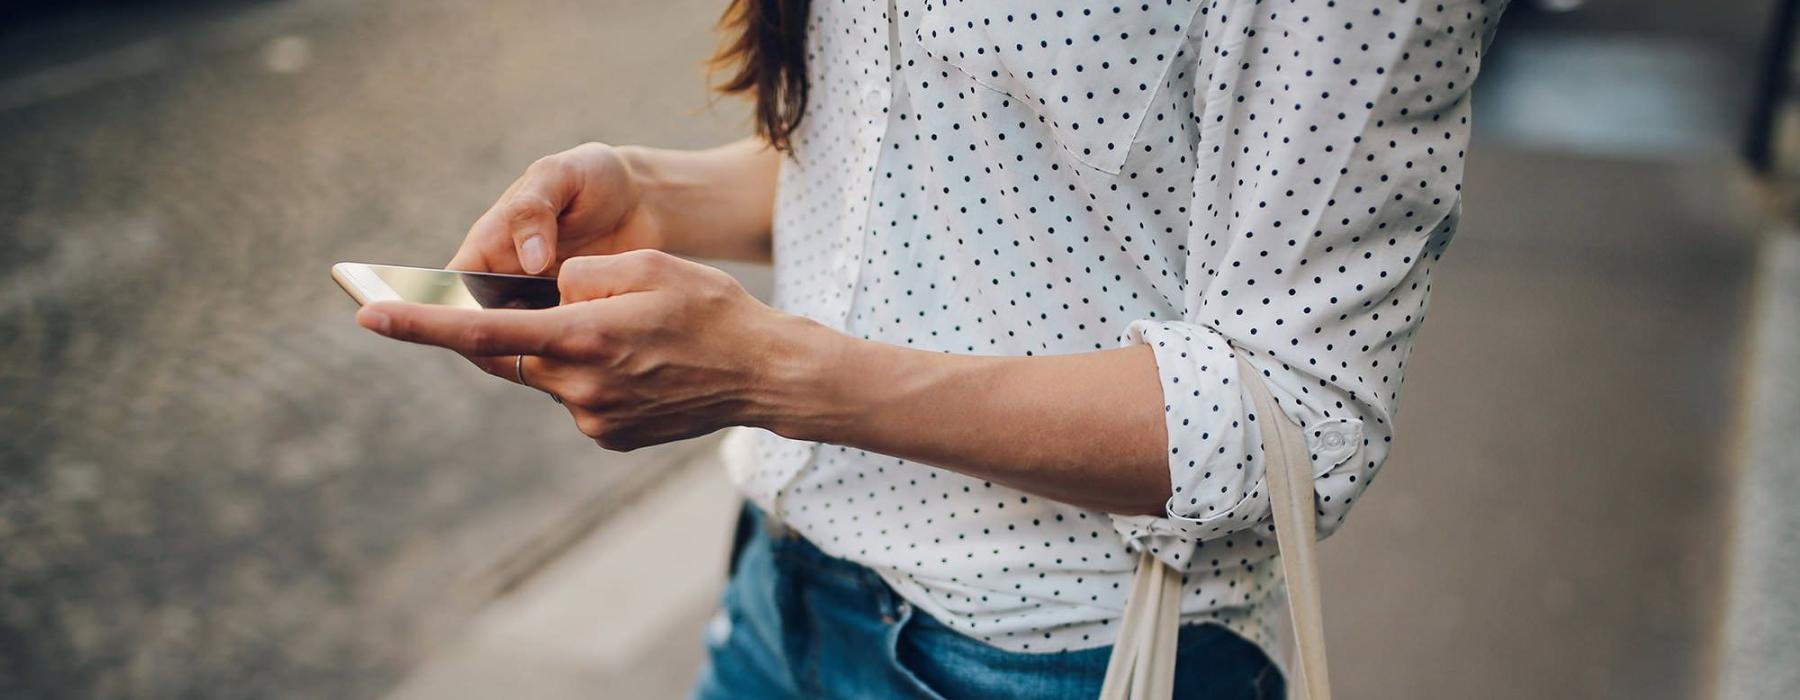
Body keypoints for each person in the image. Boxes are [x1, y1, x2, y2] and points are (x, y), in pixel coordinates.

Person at [355, 0, 1508, 696]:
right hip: (777, 597)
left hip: (1053, 655)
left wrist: (767, 372)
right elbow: (931, 169)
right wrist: (650, 191)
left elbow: (1301, 412)